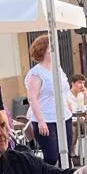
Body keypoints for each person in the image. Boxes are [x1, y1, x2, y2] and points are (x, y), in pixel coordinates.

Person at [24, 34, 65, 166]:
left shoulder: (58, 69)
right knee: (51, 155)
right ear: (45, 51)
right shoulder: (36, 73)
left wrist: (68, 104)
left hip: (64, 115)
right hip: (46, 117)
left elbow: (64, 90)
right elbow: (32, 98)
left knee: (65, 152)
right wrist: (41, 121)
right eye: (51, 48)